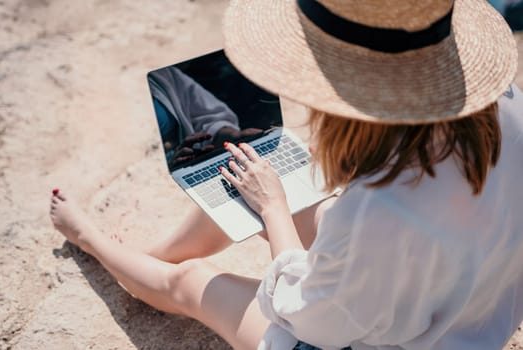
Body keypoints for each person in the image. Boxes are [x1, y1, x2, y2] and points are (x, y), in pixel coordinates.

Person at [50, 0, 523, 349]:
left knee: (194, 280)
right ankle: (150, 259)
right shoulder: (509, 109)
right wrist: (276, 196)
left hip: (367, 335)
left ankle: (92, 239)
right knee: (257, 177)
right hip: (455, 313)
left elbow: (310, 321)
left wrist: (274, 211)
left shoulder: (380, 209)